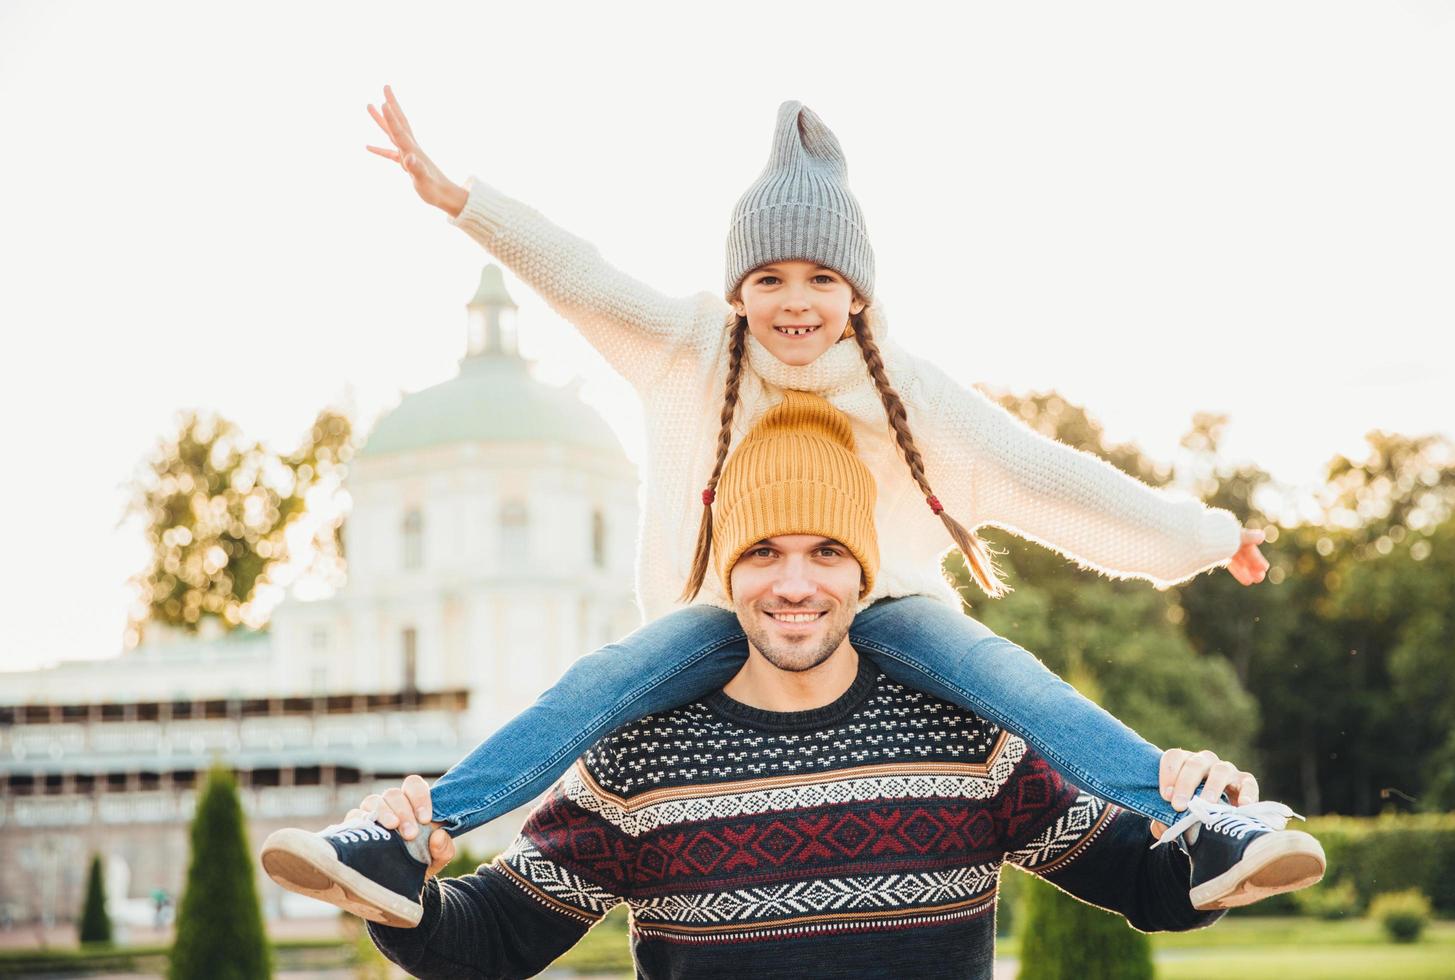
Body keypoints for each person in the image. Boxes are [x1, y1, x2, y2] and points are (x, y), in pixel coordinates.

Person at [261, 88, 1312, 925]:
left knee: (1019, 682)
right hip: (725, 601)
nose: (795, 301)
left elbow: (1048, 476)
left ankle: (1203, 821)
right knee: (596, 683)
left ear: (857, 290)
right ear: (736, 290)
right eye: (769, 277)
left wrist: (1206, 536)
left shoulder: (905, 383)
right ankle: (410, 833)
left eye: (820, 276)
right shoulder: (686, 347)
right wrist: (461, 199)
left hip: (884, 601)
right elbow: (579, 273)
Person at [281, 394, 1320, 979]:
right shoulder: (641, 758)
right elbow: (492, 942)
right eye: (764, 551)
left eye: (827, 550)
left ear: (867, 569)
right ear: (723, 569)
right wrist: (401, 889)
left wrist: (1205, 812)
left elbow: (1144, 882)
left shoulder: (964, 735)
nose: (793, 582)